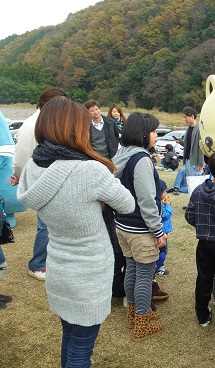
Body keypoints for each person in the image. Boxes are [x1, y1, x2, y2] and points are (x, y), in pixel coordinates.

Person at [17, 97, 135, 367]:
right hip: (89, 274)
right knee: (81, 351)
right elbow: (127, 204)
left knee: (70, 339)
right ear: (76, 129)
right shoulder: (90, 170)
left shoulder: (34, 168)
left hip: (59, 265)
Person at [112, 112, 167, 342]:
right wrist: (158, 230)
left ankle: (134, 314)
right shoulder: (142, 159)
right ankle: (142, 322)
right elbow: (146, 200)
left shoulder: (121, 154)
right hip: (140, 229)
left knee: (133, 270)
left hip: (123, 225)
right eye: (154, 131)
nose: (156, 135)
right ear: (144, 134)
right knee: (144, 274)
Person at [9, 87, 67, 281]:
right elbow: (21, 155)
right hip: (42, 177)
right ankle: (38, 264)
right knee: (45, 224)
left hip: (54, 176)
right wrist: (18, 175)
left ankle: (48, 261)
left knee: (52, 223)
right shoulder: (33, 123)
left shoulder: (50, 121)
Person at [185, 150, 215, 331]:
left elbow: (189, 215)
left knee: (204, 278)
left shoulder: (198, 190)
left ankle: (202, 315)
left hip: (204, 243)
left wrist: (203, 226)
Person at [84, 100, 126, 299]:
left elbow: (115, 142)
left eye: (96, 108)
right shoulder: (86, 126)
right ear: (88, 113)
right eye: (91, 110)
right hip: (94, 161)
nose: (95, 112)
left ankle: (108, 207)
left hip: (110, 160)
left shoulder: (109, 123)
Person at [170, 106, 204, 195]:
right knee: (190, 184)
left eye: (186, 117)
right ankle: (191, 204)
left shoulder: (199, 129)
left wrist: (201, 162)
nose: (184, 119)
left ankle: (196, 205)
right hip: (188, 160)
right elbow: (188, 145)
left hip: (195, 162)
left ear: (192, 116)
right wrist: (180, 142)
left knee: (196, 184)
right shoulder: (189, 129)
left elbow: (201, 147)